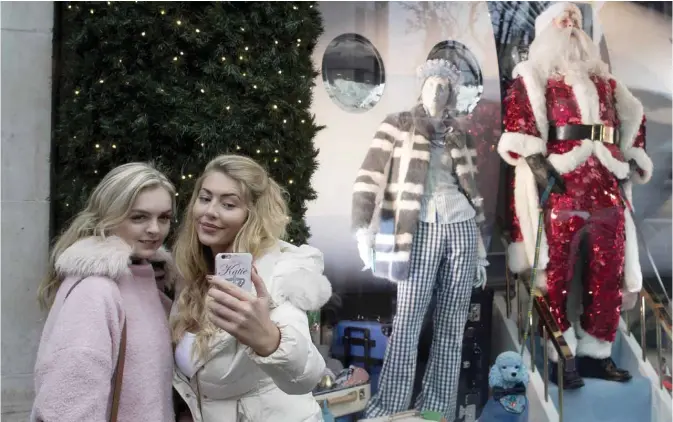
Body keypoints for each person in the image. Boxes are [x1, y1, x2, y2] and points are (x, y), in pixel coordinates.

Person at [497, 2, 652, 388]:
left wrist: (631, 156)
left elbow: (633, 119)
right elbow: (521, 124)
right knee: (557, 275)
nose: (571, 27)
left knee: (608, 273)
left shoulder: (608, 83)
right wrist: (537, 162)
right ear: (547, 29)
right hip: (562, 190)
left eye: (576, 22)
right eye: (563, 21)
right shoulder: (532, 78)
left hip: (605, 188)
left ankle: (597, 353)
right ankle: (559, 355)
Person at [352, 59, 490, 419]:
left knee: (452, 323)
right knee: (408, 320)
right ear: (422, 86)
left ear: (452, 93)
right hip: (420, 228)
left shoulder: (460, 135)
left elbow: (472, 193)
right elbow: (368, 178)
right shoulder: (397, 125)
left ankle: (436, 409)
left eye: (444, 86)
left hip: (460, 226)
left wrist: (479, 250)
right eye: (432, 84)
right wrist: (362, 231)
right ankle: (390, 406)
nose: (437, 91)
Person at [170, 154, 332, 421]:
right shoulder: (189, 275)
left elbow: (308, 375)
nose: (210, 211)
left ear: (252, 215)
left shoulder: (278, 274)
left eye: (229, 204)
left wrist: (269, 340)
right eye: (205, 198)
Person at [32, 162, 177, 421]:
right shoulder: (96, 290)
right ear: (108, 216)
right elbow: (69, 406)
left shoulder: (151, 280)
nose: (155, 229)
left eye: (164, 217)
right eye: (139, 217)